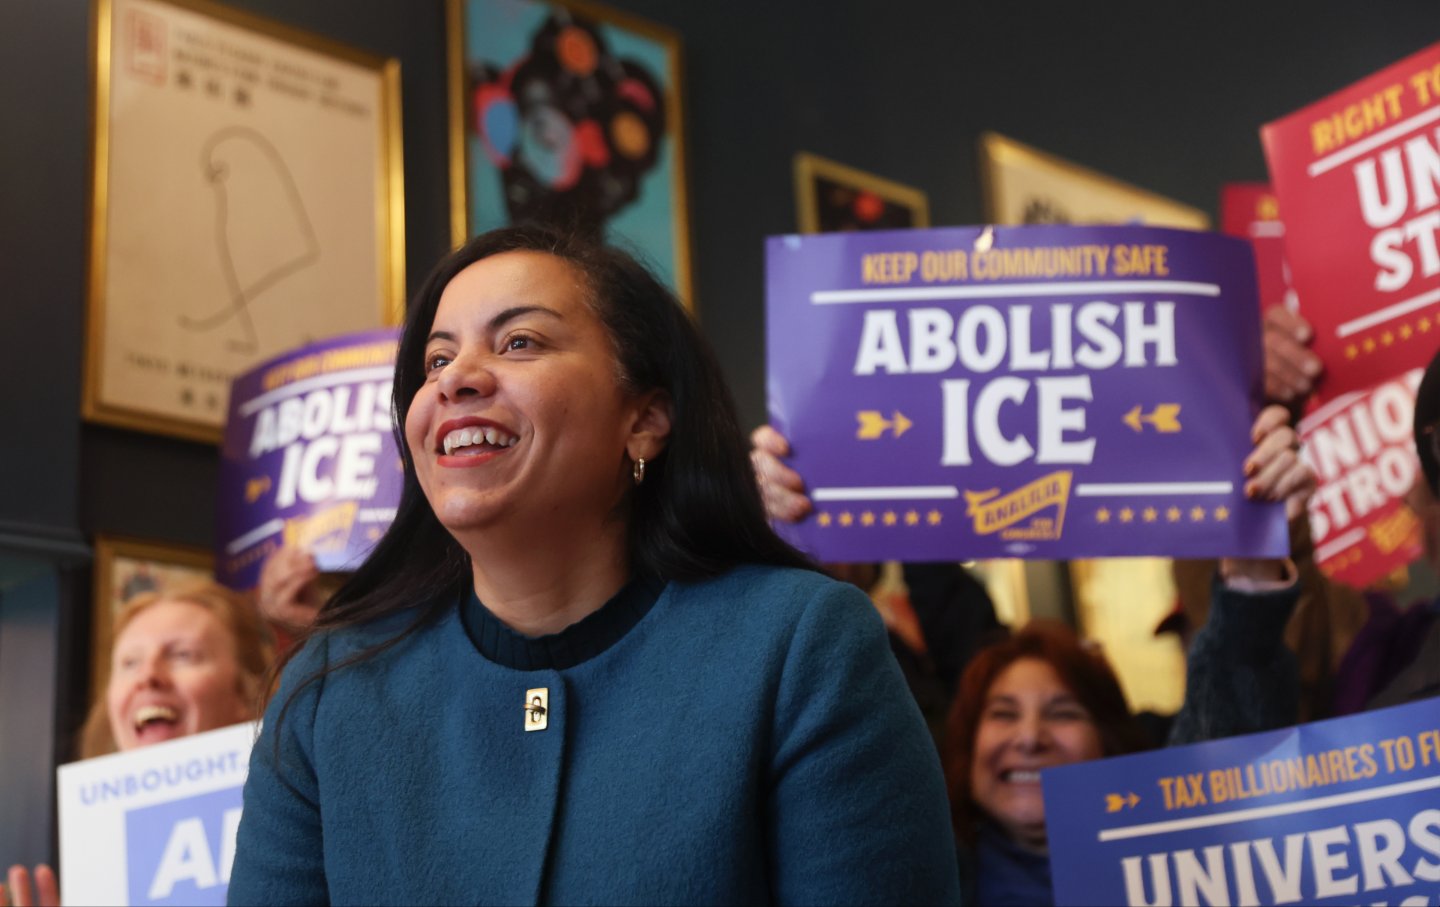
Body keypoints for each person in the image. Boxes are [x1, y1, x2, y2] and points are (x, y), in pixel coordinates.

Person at [228, 226, 961, 904]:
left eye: (517, 342)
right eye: (438, 359)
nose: (457, 379)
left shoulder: (801, 646)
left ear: (644, 419)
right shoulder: (327, 693)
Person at [2, 582, 273, 907]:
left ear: (246, 693)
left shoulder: (302, 832)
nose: (148, 676)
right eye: (129, 663)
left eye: (183, 655)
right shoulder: (86, 869)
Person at [944, 621, 1150, 906]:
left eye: (1063, 714)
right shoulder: (918, 882)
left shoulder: (1175, 875)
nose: (1029, 738)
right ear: (969, 747)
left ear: (1108, 743)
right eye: (1004, 714)